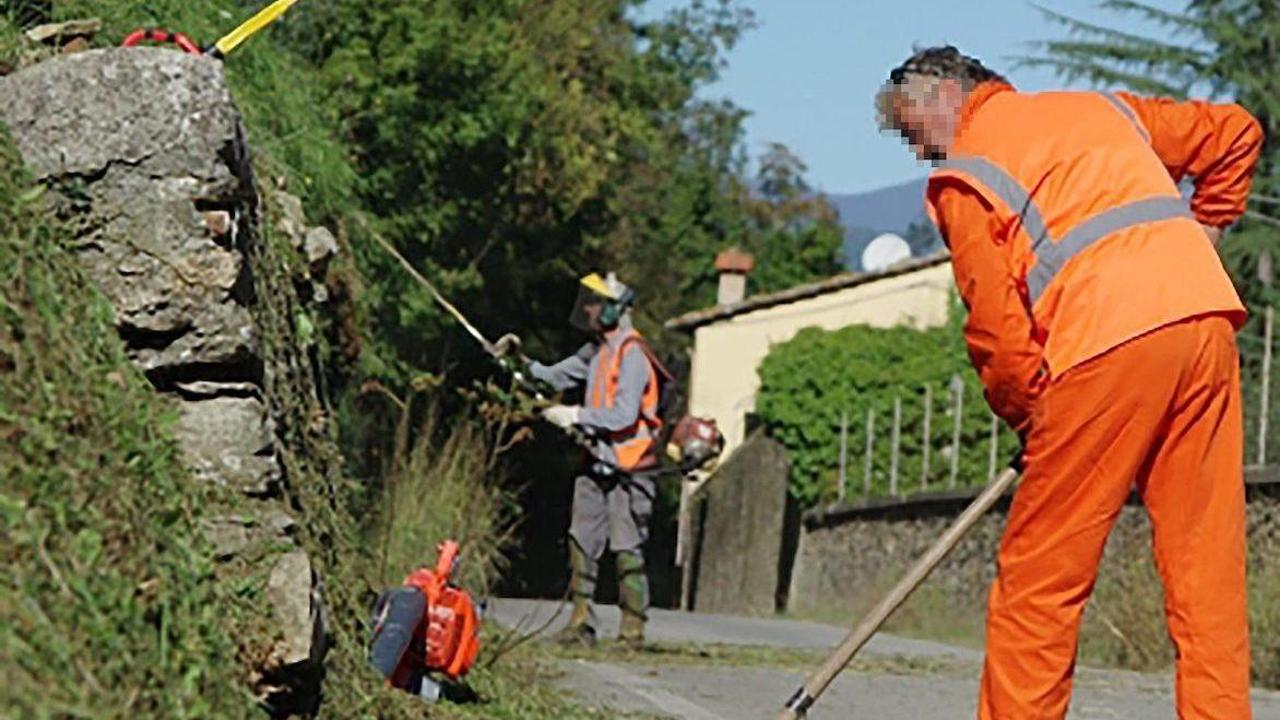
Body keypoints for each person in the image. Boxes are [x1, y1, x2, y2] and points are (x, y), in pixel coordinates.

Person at [876, 46, 1262, 719]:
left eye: (913, 133)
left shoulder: (966, 176)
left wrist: (1032, 416)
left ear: (944, 93)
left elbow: (997, 334)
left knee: (1039, 582)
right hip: (1204, 325)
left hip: (1106, 347)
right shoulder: (1101, 109)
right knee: (1208, 572)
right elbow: (1236, 133)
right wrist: (1208, 230)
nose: (920, 155)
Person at [525, 271, 666, 648]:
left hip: (630, 468)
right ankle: (581, 621)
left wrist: (575, 415)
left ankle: (632, 629)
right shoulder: (597, 352)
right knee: (581, 538)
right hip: (595, 459)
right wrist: (519, 363)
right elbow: (553, 376)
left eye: (596, 302)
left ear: (615, 309)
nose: (588, 308)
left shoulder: (633, 354)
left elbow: (623, 416)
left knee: (626, 546)